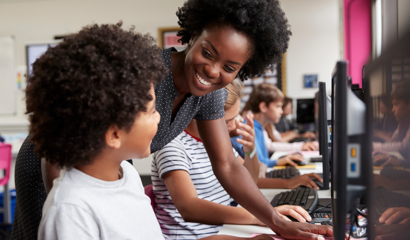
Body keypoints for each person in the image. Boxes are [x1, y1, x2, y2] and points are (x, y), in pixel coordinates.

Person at [149, 0, 332, 238]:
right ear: (193, 36)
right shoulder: (150, 74)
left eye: (229, 67)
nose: (213, 71)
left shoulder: (210, 94)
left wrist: (277, 222)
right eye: (207, 53)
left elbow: (227, 164)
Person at [152, 81, 317, 239]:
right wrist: (259, 216)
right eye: (228, 120)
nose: (238, 122)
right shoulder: (172, 145)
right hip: (195, 236)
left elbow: (250, 182)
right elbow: (189, 207)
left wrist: (250, 150)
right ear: (199, 115)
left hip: (224, 229)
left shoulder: (216, 141)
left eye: (237, 115)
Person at [373, 81, 410, 159]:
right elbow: (394, 142)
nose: (393, 109)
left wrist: (374, 146)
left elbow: (405, 147)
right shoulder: (405, 121)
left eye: (395, 104)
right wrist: (402, 123)